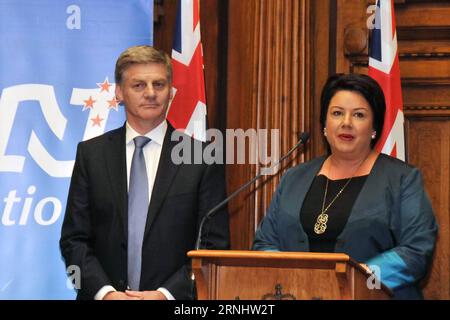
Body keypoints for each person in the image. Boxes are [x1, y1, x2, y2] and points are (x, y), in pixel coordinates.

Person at [60, 45, 229, 300]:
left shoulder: (202, 158)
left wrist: (166, 295)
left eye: (158, 85)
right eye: (139, 85)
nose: (150, 93)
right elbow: (73, 241)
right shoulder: (91, 155)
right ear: (119, 92)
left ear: (171, 92)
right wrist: (104, 293)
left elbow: (213, 248)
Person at [252, 73, 438, 299]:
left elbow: (416, 251)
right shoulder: (294, 178)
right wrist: (294, 278)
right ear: (324, 124)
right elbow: (265, 243)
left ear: (374, 128)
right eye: (337, 113)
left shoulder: (402, 179)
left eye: (358, 115)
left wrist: (355, 278)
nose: (346, 123)